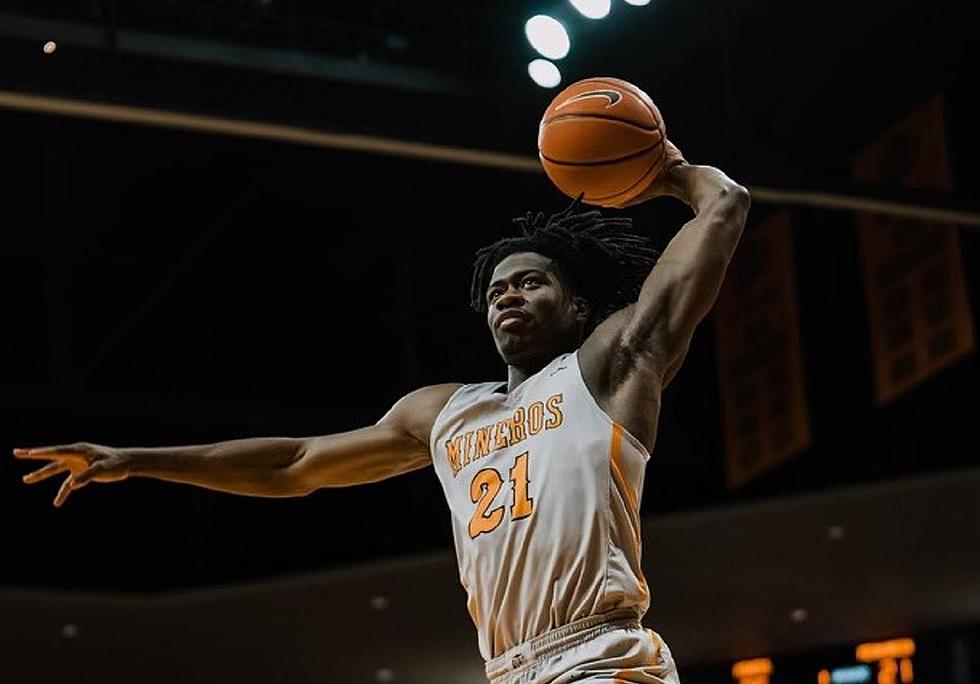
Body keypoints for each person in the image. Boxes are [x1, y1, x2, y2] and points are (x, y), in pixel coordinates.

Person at [15, 140, 749, 684]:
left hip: (602, 655)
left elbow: (725, 207)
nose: (508, 296)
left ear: (580, 306)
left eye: (531, 283)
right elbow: (297, 465)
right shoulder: (445, 414)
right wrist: (136, 460)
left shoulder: (606, 368)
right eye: (497, 291)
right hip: (507, 670)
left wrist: (669, 169)